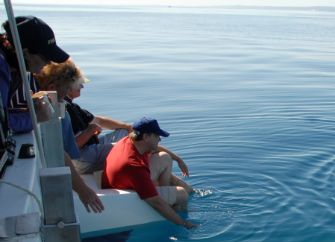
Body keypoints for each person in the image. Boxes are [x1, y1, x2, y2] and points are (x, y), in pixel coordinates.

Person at [1, 16, 103, 213]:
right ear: (25, 52)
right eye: (45, 57)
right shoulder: (2, 68)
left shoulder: (21, 70)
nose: (48, 63)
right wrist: (34, 118)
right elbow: (3, 124)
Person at [102, 117, 196, 228]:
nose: (159, 139)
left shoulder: (130, 140)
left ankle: (170, 196)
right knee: (182, 194)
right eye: (157, 136)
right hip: (126, 188)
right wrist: (184, 224)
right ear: (146, 137)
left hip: (128, 178)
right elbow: (155, 202)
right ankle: (174, 212)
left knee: (166, 159)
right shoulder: (135, 166)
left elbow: (156, 148)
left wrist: (178, 159)